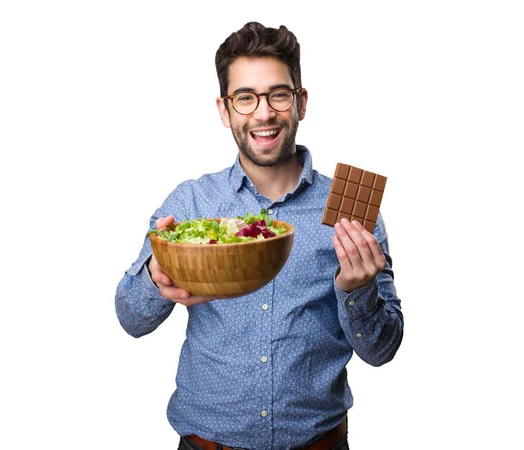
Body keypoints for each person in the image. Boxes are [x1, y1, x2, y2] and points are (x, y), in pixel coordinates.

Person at [115, 21, 403, 450]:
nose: (263, 113)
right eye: (245, 98)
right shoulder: (191, 205)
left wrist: (358, 289)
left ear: (301, 102)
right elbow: (131, 319)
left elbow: (382, 350)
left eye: (278, 95)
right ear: (224, 109)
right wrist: (160, 274)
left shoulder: (350, 213)